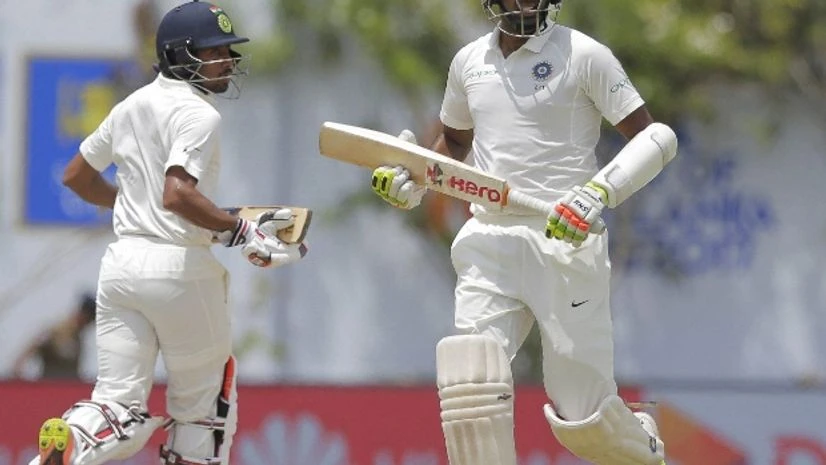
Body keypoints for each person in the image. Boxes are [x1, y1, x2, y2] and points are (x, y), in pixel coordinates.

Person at [370, 1, 677, 464]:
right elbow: (455, 143)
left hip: (565, 240)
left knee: (584, 424)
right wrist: (414, 179)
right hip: (489, 239)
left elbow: (653, 138)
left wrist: (597, 193)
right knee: (468, 383)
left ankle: (644, 445)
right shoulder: (469, 62)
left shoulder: (586, 54)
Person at [32, 2, 306, 465]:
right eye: (214, 52)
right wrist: (239, 229)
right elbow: (177, 194)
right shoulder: (201, 115)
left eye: (227, 52)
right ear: (180, 55)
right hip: (180, 271)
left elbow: (76, 176)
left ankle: (69, 446)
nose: (227, 62)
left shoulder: (131, 105)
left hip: (121, 270)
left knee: (117, 403)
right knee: (203, 411)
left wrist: (127, 204)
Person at [12, 293, 97, 380]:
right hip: (50, 387)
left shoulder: (77, 338)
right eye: (89, 319)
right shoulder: (57, 331)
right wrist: (18, 369)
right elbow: (33, 346)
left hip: (68, 387)